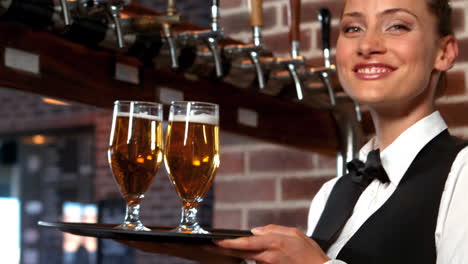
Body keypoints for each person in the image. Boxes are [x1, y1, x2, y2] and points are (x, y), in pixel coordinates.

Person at [119, 0, 468, 263]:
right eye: (352, 28)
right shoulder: (332, 192)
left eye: (397, 26)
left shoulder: (462, 174)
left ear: (444, 52)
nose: (368, 44)